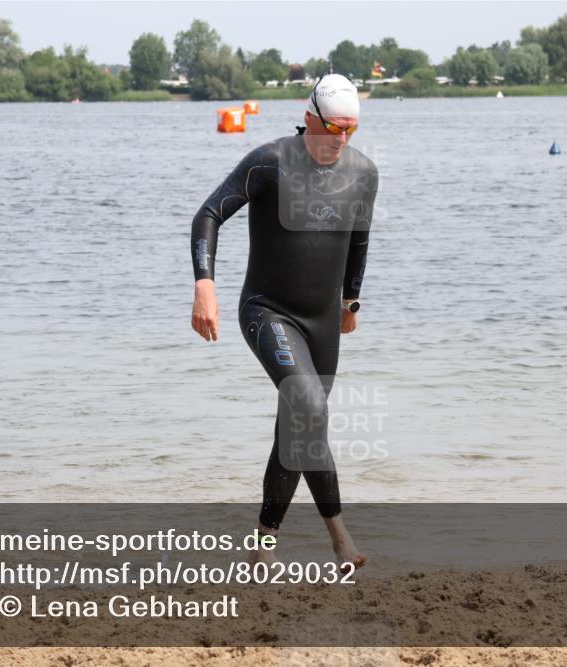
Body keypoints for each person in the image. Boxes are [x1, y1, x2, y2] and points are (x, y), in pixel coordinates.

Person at [190, 73, 378, 569]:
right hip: (267, 310)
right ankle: (341, 540)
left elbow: (359, 240)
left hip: (322, 322)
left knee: (298, 429)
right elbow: (208, 214)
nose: (341, 140)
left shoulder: (363, 172)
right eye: (333, 128)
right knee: (309, 405)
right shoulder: (270, 162)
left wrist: (350, 304)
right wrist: (204, 283)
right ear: (310, 117)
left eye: (351, 131)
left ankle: (261, 547)